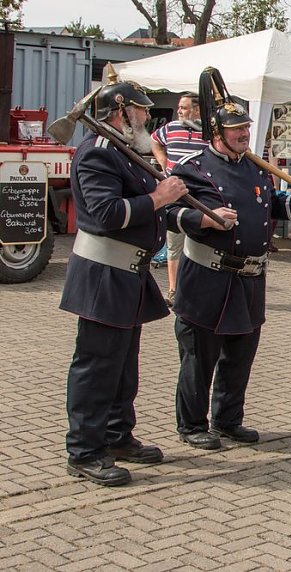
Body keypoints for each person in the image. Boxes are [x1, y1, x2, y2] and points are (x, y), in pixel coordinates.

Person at [167, 67, 291, 450]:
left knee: (240, 354)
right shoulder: (193, 168)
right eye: (236, 128)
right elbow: (168, 213)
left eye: (246, 127)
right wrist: (205, 219)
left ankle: (228, 420)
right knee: (199, 357)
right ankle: (192, 425)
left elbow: (274, 205)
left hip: (250, 279)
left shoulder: (256, 168)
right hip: (207, 277)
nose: (244, 133)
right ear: (216, 132)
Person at [60, 66, 189, 486]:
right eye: (141, 110)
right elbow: (106, 213)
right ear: (121, 111)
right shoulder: (97, 152)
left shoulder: (122, 150)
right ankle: (84, 451)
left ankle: (116, 436)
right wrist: (159, 197)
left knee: (122, 366)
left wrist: (182, 212)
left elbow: (151, 207)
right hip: (103, 273)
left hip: (128, 273)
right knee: (96, 367)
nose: (147, 117)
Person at [151, 92, 208, 306]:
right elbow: (154, 140)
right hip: (174, 193)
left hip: (200, 194)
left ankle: (196, 289)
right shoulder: (171, 128)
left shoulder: (209, 131)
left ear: (197, 110)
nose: (179, 111)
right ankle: (174, 290)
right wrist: (163, 161)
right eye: (179, 107)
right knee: (174, 243)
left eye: (183, 107)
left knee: (199, 242)